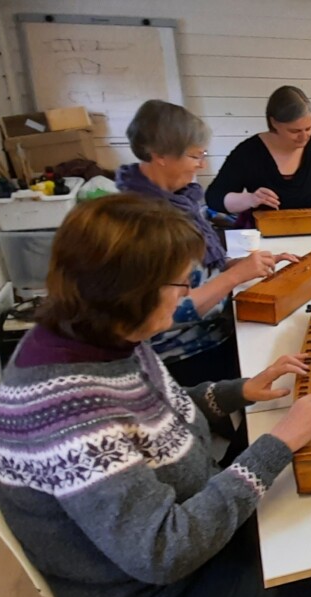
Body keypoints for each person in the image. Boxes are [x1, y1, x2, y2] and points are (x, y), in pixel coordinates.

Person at [0, 194, 311, 597]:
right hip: (157, 592)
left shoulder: (99, 334)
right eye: (179, 283)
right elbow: (162, 552)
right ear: (132, 294)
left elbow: (156, 413)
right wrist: (278, 443)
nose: (188, 293)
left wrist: (240, 391)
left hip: (187, 514)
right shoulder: (70, 420)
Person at [116, 99, 297, 388]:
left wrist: (239, 265)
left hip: (217, 330)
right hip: (185, 356)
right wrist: (234, 277)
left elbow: (200, 269)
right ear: (160, 155)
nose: (202, 164)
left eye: (203, 154)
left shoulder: (181, 199)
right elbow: (158, 315)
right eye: (195, 156)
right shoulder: (139, 222)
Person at [206, 85, 311, 226]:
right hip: (268, 234)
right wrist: (250, 199)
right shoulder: (248, 152)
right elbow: (214, 197)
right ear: (274, 123)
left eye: (308, 128)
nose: (304, 136)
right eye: (294, 131)